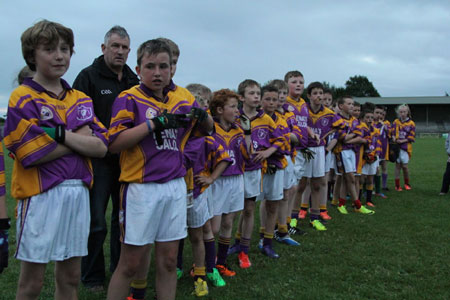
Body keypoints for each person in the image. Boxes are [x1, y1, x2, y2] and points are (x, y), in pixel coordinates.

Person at [4, 19, 108, 299]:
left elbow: (101, 147)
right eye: (49, 49)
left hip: (78, 194)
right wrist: (77, 138)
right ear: (32, 55)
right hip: (41, 195)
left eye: (65, 48)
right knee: (32, 284)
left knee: (71, 278)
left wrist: (59, 135)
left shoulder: (82, 99)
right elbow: (31, 153)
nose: (60, 55)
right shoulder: (22, 97)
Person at [105, 39, 213, 300]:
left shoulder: (184, 97)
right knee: (131, 263)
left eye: (163, 66)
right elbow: (114, 144)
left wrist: (205, 118)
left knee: (167, 261)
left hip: (175, 187)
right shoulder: (128, 98)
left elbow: (207, 130)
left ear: (171, 68)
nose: (157, 72)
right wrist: (153, 125)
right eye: (150, 66)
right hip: (141, 190)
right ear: (138, 69)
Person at [73, 25, 139, 291]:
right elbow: (79, 116)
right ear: (104, 48)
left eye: (124, 48)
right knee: (96, 220)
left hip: (128, 159)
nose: (120, 52)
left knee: (122, 220)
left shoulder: (133, 81)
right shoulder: (88, 77)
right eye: (115, 46)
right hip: (99, 160)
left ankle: (118, 270)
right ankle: (93, 276)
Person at [228, 79, 284, 268]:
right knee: (232, 212)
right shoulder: (234, 117)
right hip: (233, 171)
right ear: (241, 97)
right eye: (252, 93)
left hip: (253, 171)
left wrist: (268, 152)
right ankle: (228, 245)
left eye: (257, 94)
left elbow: (279, 140)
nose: (256, 97)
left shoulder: (266, 119)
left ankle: (244, 250)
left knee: (249, 209)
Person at [209, 89, 249, 277]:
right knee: (213, 227)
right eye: (232, 107)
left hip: (236, 179)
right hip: (217, 181)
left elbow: (249, 156)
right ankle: (203, 264)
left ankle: (221, 262)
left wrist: (248, 133)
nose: (237, 110)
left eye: (237, 106)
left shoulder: (239, 130)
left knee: (228, 223)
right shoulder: (209, 130)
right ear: (219, 110)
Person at [298, 82, 343, 230]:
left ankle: (315, 217)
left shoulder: (329, 113)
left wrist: (326, 135)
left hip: (318, 150)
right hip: (304, 148)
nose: (319, 96)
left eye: (320, 93)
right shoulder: (303, 109)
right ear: (309, 96)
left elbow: (341, 126)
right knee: (302, 184)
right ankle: (293, 216)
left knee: (317, 184)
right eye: (315, 93)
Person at [257, 84, 289, 258]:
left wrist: (271, 155)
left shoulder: (281, 120)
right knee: (248, 207)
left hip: (276, 166)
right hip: (256, 167)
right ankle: (241, 242)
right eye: (267, 99)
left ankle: (268, 242)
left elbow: (283, 144)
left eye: (274, 99)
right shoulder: (254, 119)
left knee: (273, 203)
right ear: (261, 100)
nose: (271, 102)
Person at [268, 79, 301, 246]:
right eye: (277, 93)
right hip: (273, 158)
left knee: (286, 193)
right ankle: (268, 230)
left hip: (288, 156)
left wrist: (282, 136)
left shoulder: (289, 113)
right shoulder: (267, 114)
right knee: (270, 196)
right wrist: (284, 136)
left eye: (283, 93)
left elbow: (297, 136)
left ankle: (283, 229)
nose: (281, 97)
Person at [333, 96, 374, 215]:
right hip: (342, 151)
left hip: (351, 151)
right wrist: (352, 136)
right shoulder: (337, 119)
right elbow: (342, 137)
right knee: (350, 177)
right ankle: (357, 205)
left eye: (352, 104)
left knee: (348, 179)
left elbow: (361, 135)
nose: (352, 106)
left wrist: (349, 138)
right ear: (341, 106)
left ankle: (342, 204)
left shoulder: (355, 121)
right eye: (349, 104)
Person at [283, 71, 309, 235]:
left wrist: (310, 132)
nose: (298, 84)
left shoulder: (304, 103)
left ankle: (289, 220)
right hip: (290, 150)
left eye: (301, 81)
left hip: (302, 148)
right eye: (294, 81)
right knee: (289, 188)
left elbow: (303, 124)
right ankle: (284, 223)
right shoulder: (284, 103)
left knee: (297, 186)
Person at [392, 104, 415, 191]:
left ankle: (407, 183)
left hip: (405, 148)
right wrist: (394, 137)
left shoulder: (411, 123)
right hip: (397, 147)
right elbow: (392, 132)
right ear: (398, 113)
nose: (402, 113)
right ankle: (397, 185)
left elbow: (412, 137)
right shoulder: (396, 122)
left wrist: (403, 141)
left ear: (407, 112)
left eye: (404, 111)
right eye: (401, 112)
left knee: (405, 166)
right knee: (397, 166)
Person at [373, 105, 390, 197]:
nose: (379, 115)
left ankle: (382, 186)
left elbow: (390, 134)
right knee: (374, 169)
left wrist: (386, 128)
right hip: (373, 149)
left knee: (382, 167)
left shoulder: (385, 124)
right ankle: (371, 188)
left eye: (381, 113)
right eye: (377, 113)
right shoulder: (371, 123)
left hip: (383, 149)